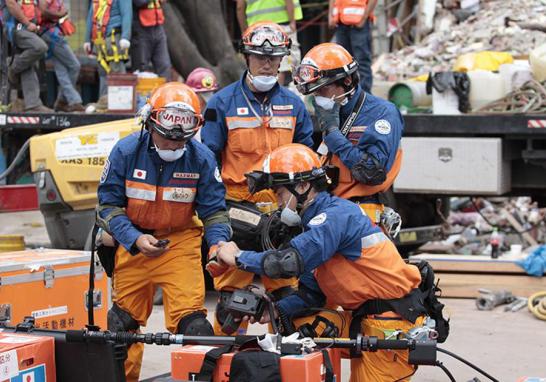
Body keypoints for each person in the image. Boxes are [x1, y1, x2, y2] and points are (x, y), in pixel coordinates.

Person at [215, 143, 426, 381]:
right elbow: (311, 295)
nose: (277, 202)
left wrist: (238, 257)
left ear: (303, 186)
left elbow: (287, 263)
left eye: (280, 193)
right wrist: (275, 309)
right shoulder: (313, 224)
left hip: (390, 324)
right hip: (363, 319)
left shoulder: (335, 216)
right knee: (289, 322)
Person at [97, 82, 231, 382]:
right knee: (120, 326)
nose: (172, 146)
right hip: (133, 241)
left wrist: (219, 243)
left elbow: (214, 211)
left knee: (195, 327)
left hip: (179, 242)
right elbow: (107, 207)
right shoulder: (126, 151)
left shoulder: (202, 158)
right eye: (165, 139)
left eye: (180, 142)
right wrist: (133, 238)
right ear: (149, 123)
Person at [200, 21, 313, 335]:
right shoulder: (221, 103)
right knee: (231, 307)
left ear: (282, 60)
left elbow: (306, 158)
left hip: (280, 211)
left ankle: (284, 364)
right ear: (245, 57)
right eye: (259, 56)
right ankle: (220, 367)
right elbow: (207, 161)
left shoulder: (294, 105)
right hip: (237, 208)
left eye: (274, 57)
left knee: (289, 300)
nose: (267, 63)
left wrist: (297, 208)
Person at [293, 42, 403, 230]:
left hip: (363, 217)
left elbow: (372, 172)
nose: (318, 97)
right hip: (327, 212)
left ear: (347, 81)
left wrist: (335, 138)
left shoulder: (382, 113)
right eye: (314, 92)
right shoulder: (329, 112)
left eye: (323, 89)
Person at [236, 0, 302, 85]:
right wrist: (292, 22)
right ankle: (275, 95)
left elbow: (240, 7)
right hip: (281, 24)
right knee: (279, 63)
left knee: (258, 62)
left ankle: (259, 92)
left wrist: (244, 30)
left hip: (255, 28)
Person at [4, 0, 52, 112]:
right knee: (40, 47)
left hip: (27, 28)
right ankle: (13, 66)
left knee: (28, 64)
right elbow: (11, 4)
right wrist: (28, 23)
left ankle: (33, 104)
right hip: (16, 27)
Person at [39, 0, 84, 112]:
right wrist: (61, 14)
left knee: (61, 70)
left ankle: (61, 102)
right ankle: (73, 100)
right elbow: (43, 11)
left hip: (53, 33)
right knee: (74, 65)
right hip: (52, 35)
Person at [84, 0, 132, 99]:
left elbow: (127, 14)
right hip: (100, 40)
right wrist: (87, 39)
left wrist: (125, 36)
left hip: (114, 38)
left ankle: (120, 104)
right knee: (103, 73)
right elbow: (91, 15)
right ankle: (104, 102)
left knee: (117, 72)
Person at [329, 0, 377, 93]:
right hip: (341, 22)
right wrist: (331, 15)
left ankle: (365, 96)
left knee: (362, 60)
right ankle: (347, 94)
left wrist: (363, 18)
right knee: (343, 63)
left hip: (358, 23)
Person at [131, 0, 171, 80]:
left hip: (158, 26)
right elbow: (140, 2)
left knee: (164, 65)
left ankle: (164, 91)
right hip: (141, 29)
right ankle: (141, 92)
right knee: (141, 68)